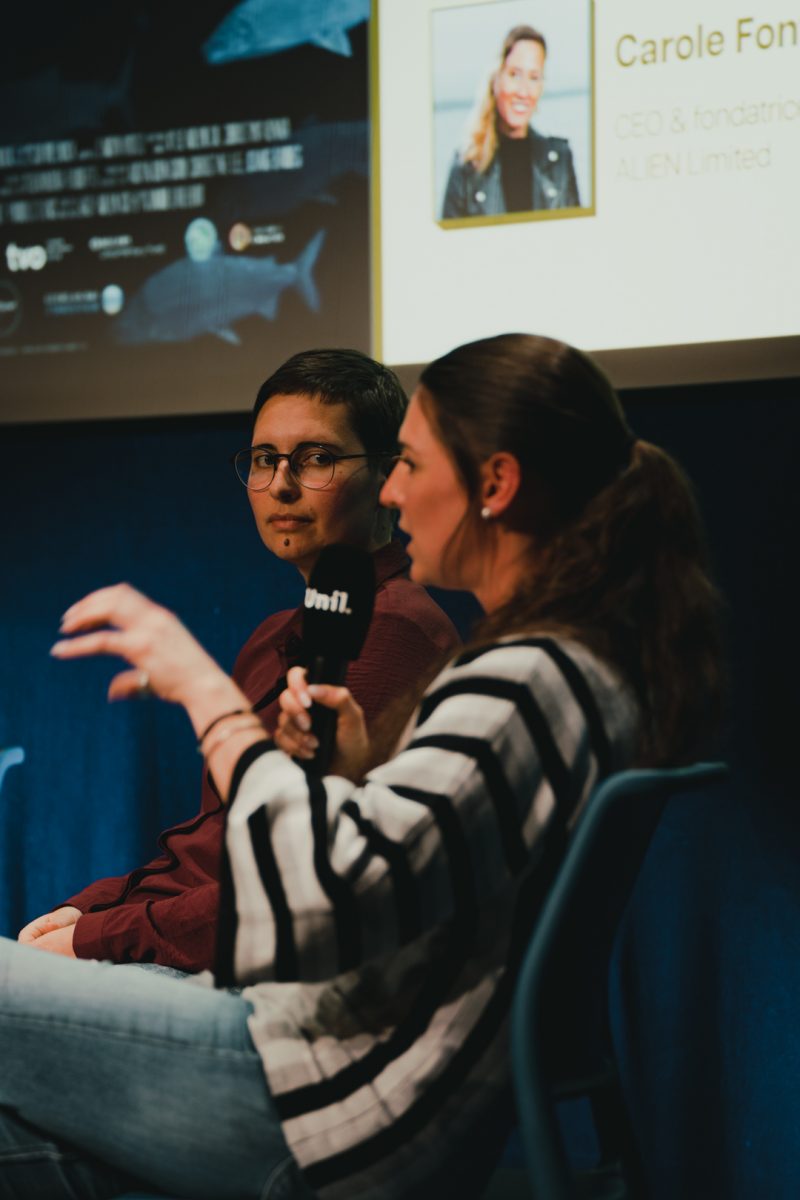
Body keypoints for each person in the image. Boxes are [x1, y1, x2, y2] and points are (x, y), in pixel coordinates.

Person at [0, 333, 722, 1199]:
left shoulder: (527, 678)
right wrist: (346, 778)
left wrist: (206, 696)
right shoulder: (558, 668)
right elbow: (394, 872)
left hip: (333, 1102)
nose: (393, 491)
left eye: (409, 463)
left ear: (495, 484)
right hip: (324, 1067)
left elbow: (322, 907)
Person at [16, 348, 459, 971]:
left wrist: (100, 935)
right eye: (264, 459)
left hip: (262, 981)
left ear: (387, 476)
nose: (281, 484)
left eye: (317, 458)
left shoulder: (393, 632)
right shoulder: (272, 635)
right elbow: (211, 851)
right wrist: (95, 906)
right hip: (187, 947)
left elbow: (298, 890)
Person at [442, 25, 580, 219]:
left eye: (534, 77)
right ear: (496, 79)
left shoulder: (560, 160)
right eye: (514, 74)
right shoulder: (466, 167)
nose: (523, 92)